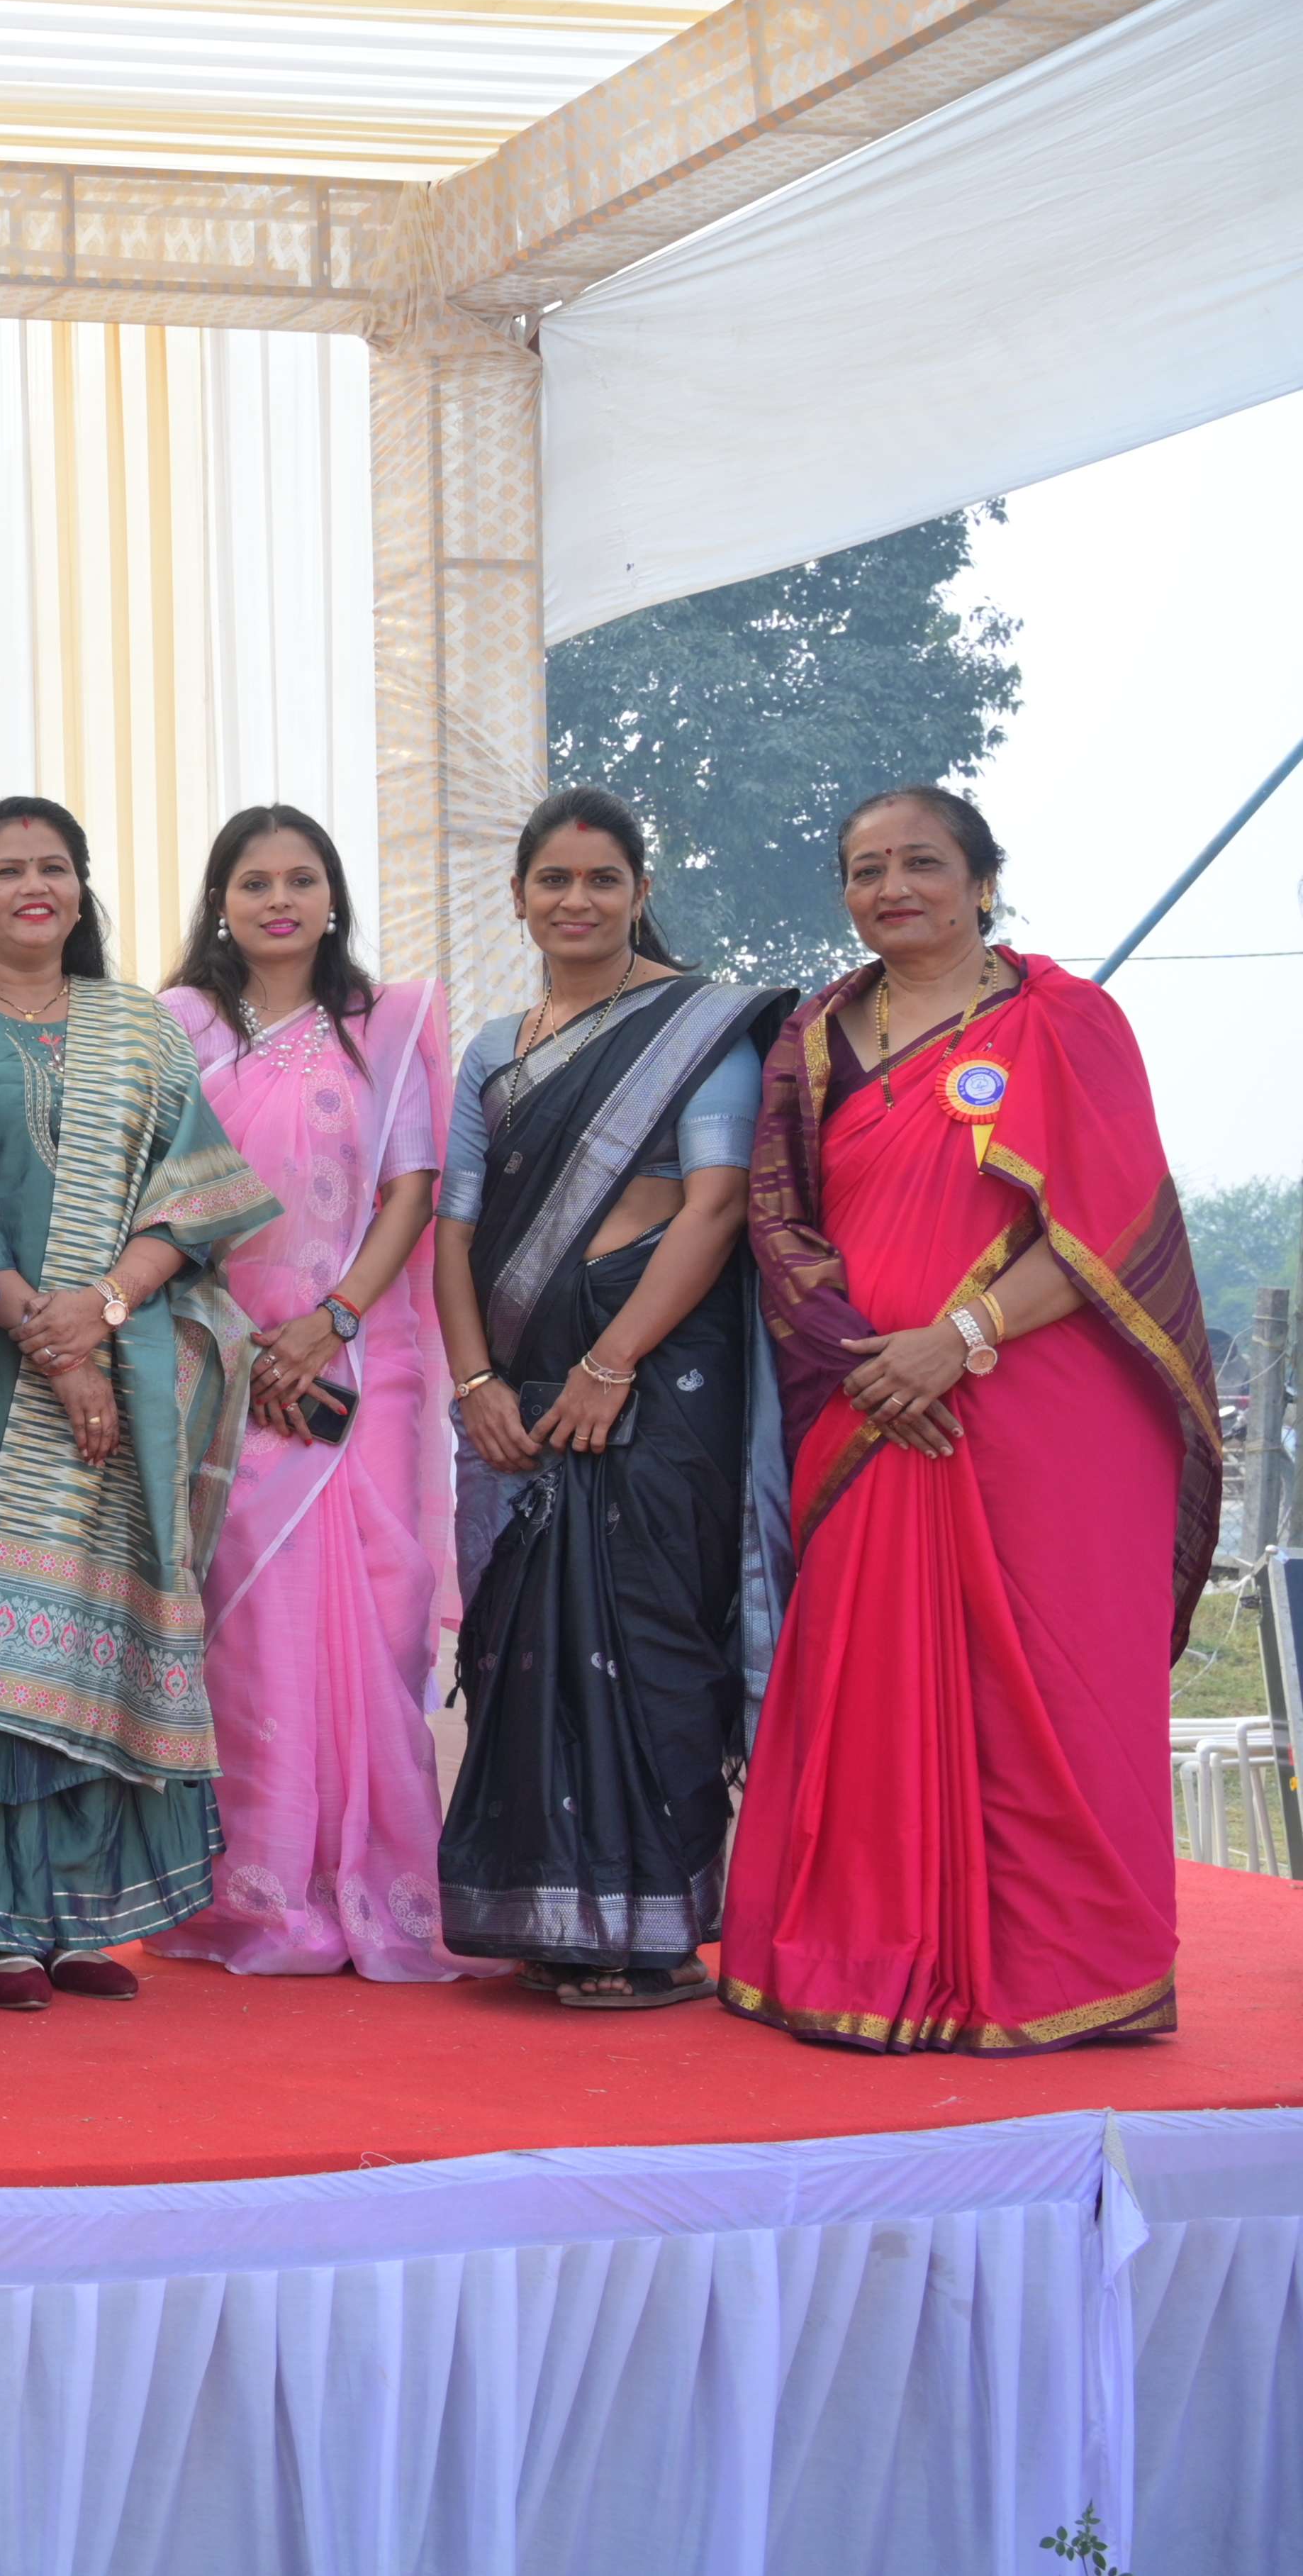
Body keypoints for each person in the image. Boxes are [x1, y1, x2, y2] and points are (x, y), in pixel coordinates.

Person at [725, 788, 1218, 2053]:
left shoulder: (1066, 1021)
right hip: (869, 1407)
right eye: (864, 868)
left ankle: (1068, 1970)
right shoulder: (815, 1034)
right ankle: (869, 1955)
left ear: (982, 880)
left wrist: (959, 1339)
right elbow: (777, 1222)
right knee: (869, 1683)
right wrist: (865, 1362)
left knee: (1048, 1681)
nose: (891, 887)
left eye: (921, 863)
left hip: (1044, 1411)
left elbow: (1114, 1226)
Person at [0, 798, 274, 2010]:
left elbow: (191, 1195)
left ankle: (82, 1913)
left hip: (127, 1369)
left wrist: (101, 1309)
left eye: (54, 867)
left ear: (82, 888)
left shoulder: (136, 1023)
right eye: (5, 870)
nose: (32, 887)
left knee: (101, 1624)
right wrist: (46, 1339)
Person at [432, 789, 789, 2010]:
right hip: (523, 1389)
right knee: (524, 1641)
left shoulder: (699, 1027)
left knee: (649, 1635)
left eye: (600, 879)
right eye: (553, 880)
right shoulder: (495, 1048)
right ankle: (547, 1908)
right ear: (519, 896)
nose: (575, 901)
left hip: (660, 1378)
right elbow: (456, 1228)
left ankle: (654, 1932)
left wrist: (612, 1361)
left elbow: (714, 1206)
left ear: (640, 890)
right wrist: (473, 1382)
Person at [147, 808, 483, 1984]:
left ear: (332, 895)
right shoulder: (177, 1025)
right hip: (224, 1365)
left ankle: (382, 1879)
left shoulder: (387, 1025)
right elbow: (159, 1195)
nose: (279, 900)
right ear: (220, 900)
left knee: (379, 1616)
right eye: (255, 882)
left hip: (359, 1362)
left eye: (301, 879)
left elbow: (411, 1186)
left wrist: (332, 1319)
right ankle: (263, 1888)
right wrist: (245, 1344)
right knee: (250, 1628)